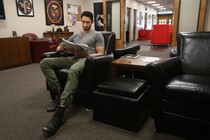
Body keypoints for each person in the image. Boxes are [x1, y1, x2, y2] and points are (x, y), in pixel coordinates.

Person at [40, 11, 105, 135]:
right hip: (72, 58)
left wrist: (87, 55)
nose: (85, 25)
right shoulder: (76, 36)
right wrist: (60, 48)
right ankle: (58, 91)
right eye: (83, 22)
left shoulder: (97, 35)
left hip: (86, 59)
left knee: (74, 70)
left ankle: (60, 112)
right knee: (45, 63)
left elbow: (101, 53)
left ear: (92, 22)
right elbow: (64, 44)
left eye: (88, 22)